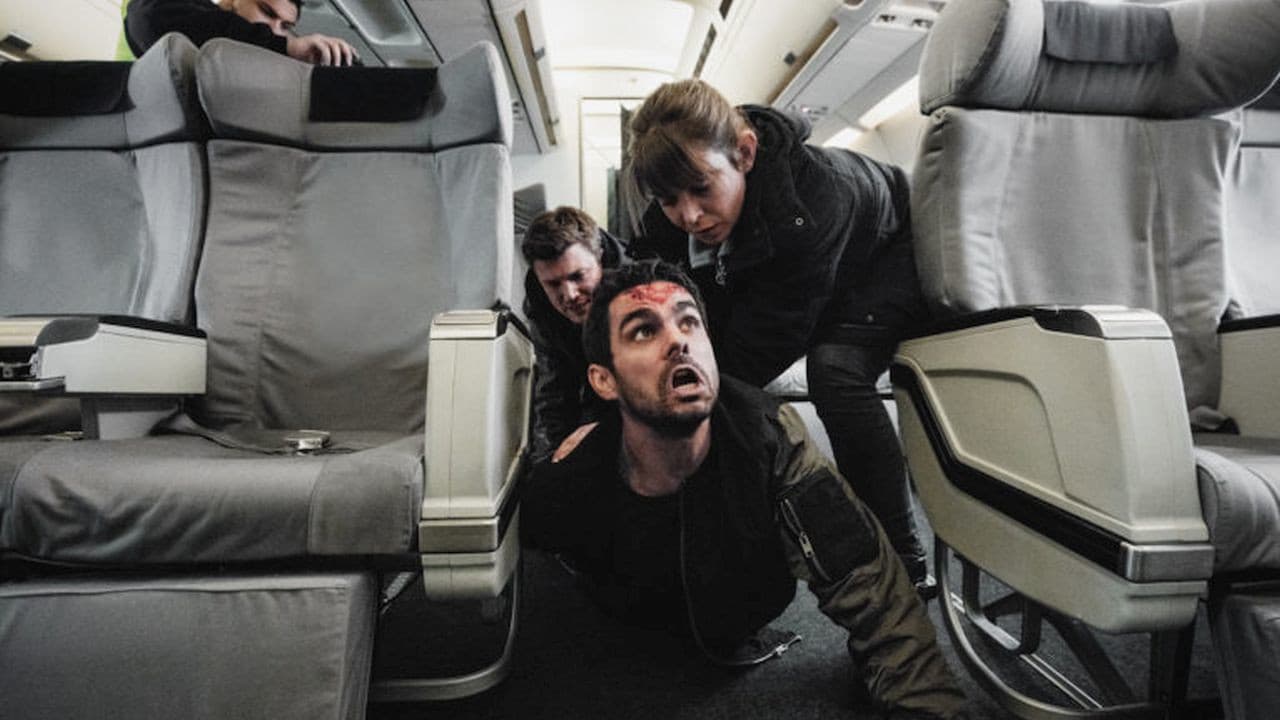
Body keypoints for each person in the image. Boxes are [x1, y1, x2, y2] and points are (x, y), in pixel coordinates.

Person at [522, 261, 968, 719]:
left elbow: (870, 586)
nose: (678, 340)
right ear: (604, 380)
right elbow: (526, 547)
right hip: (627, 638)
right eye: (643, 331)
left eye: (689, 322)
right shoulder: (573, 478)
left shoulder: (767, 436)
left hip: (741, 615)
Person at [626, 79, 935, 596]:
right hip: (819, 263)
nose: (689, 216)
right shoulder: (681, 202)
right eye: (669, 200)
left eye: (701, 190)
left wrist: (673, 409)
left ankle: (905, 556)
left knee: (835, 370)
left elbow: (761, 345)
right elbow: (645, 277)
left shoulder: (815, 200)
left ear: (745, 154)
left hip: (893, 250)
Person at [521, 206, 629, 463]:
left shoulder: (642, 289)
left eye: (578, 276)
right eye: (553, 284)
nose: (569, 295)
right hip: (595, 402)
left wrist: (603, 431)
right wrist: (547, 465)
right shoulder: (542, 307)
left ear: (600, 258)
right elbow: (554, 394)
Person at [124, 0, 358, 66]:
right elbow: (149, 17)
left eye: (285, 27)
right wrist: (286, 46)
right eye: (266, 12)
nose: (273, 29)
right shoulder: (161, 10)